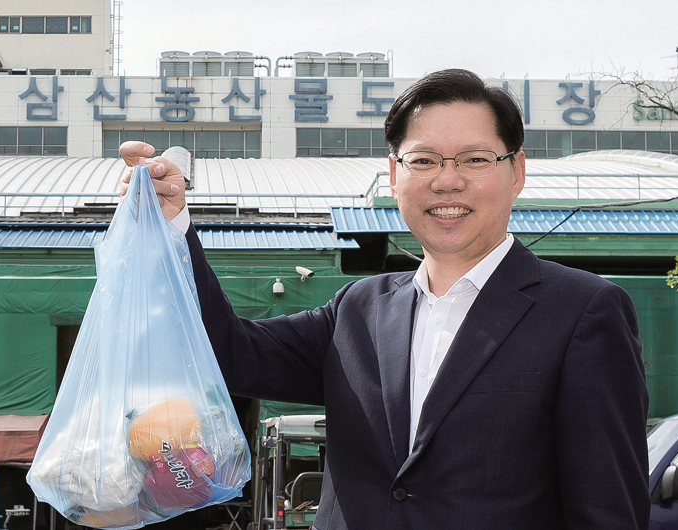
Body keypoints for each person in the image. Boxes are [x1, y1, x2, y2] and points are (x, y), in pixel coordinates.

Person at [118, 68, 649, 530]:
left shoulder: (583, 312)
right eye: (424, 161)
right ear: (395, 176)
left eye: (474, 158)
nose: (447, 181)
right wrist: (172, 228)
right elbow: (228, 352)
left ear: (517, 172)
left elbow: (606, 510)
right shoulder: (359, 310)